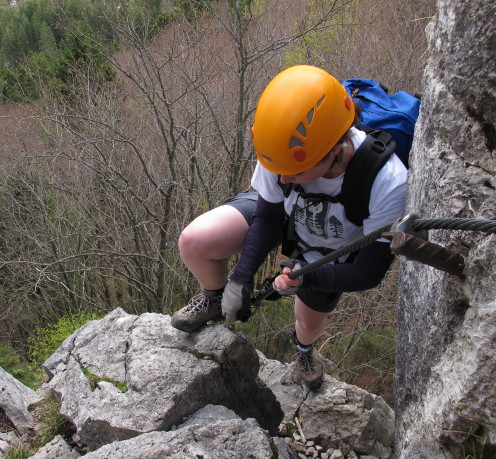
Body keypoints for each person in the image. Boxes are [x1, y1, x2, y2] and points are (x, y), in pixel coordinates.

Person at [170, 65, 407, 391]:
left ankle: (304, 351)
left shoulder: (387, 181)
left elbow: (369, 272)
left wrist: (308, 275)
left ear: (334, 152)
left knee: (308, 321)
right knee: (196, 240)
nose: (281, 179)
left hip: (330, 251)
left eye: (294, 171)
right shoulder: (283, 150)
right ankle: (214, 299)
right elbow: (267, 217)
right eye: (275, 168)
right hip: (286, 219)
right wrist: (241, 276)